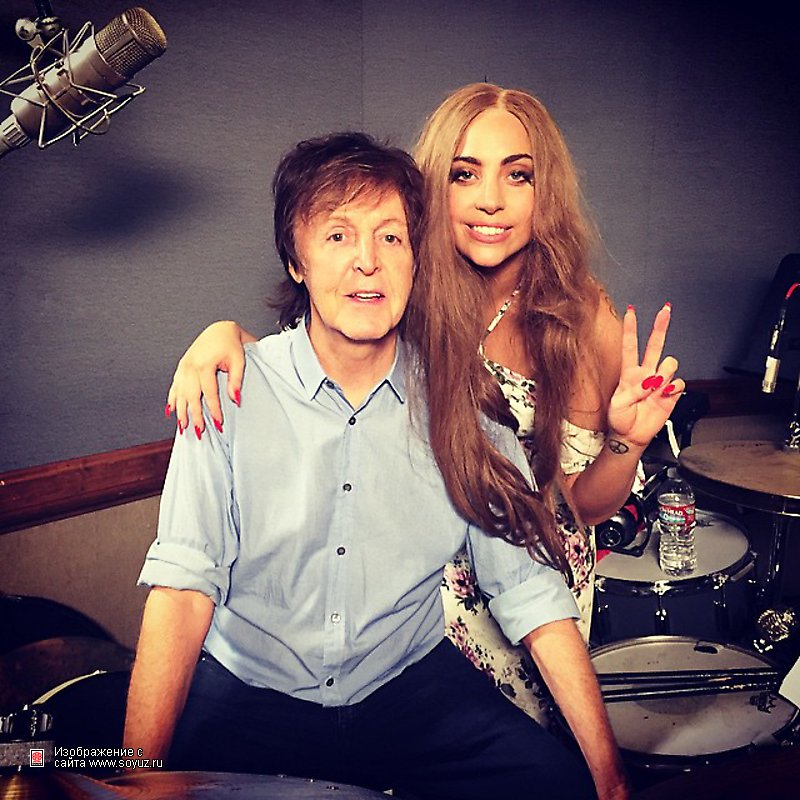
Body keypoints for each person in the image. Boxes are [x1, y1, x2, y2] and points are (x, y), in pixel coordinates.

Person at [125, 131, 629, 799]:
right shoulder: (227, 390)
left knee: (554, 784)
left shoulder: (462, 404)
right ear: (297, 260)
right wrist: (134, 778)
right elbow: (183, 590)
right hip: (251, 690)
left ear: (416, 259)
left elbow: (530, 594)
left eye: (391, 237)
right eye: (338, 236)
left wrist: (609, 778)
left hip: (407, 687)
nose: (367, 261)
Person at [164, 84, 683, 723]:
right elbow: (317, 362)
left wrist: (628, 442)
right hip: (418, 598)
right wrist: (224, 337)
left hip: (531, 577)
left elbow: (582, 504)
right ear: (435, 190)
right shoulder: (400, 285)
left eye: (517, 175)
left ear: (543, 191)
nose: (490, 199)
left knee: (537, 752)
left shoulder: (577, 315)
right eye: (466, 174)